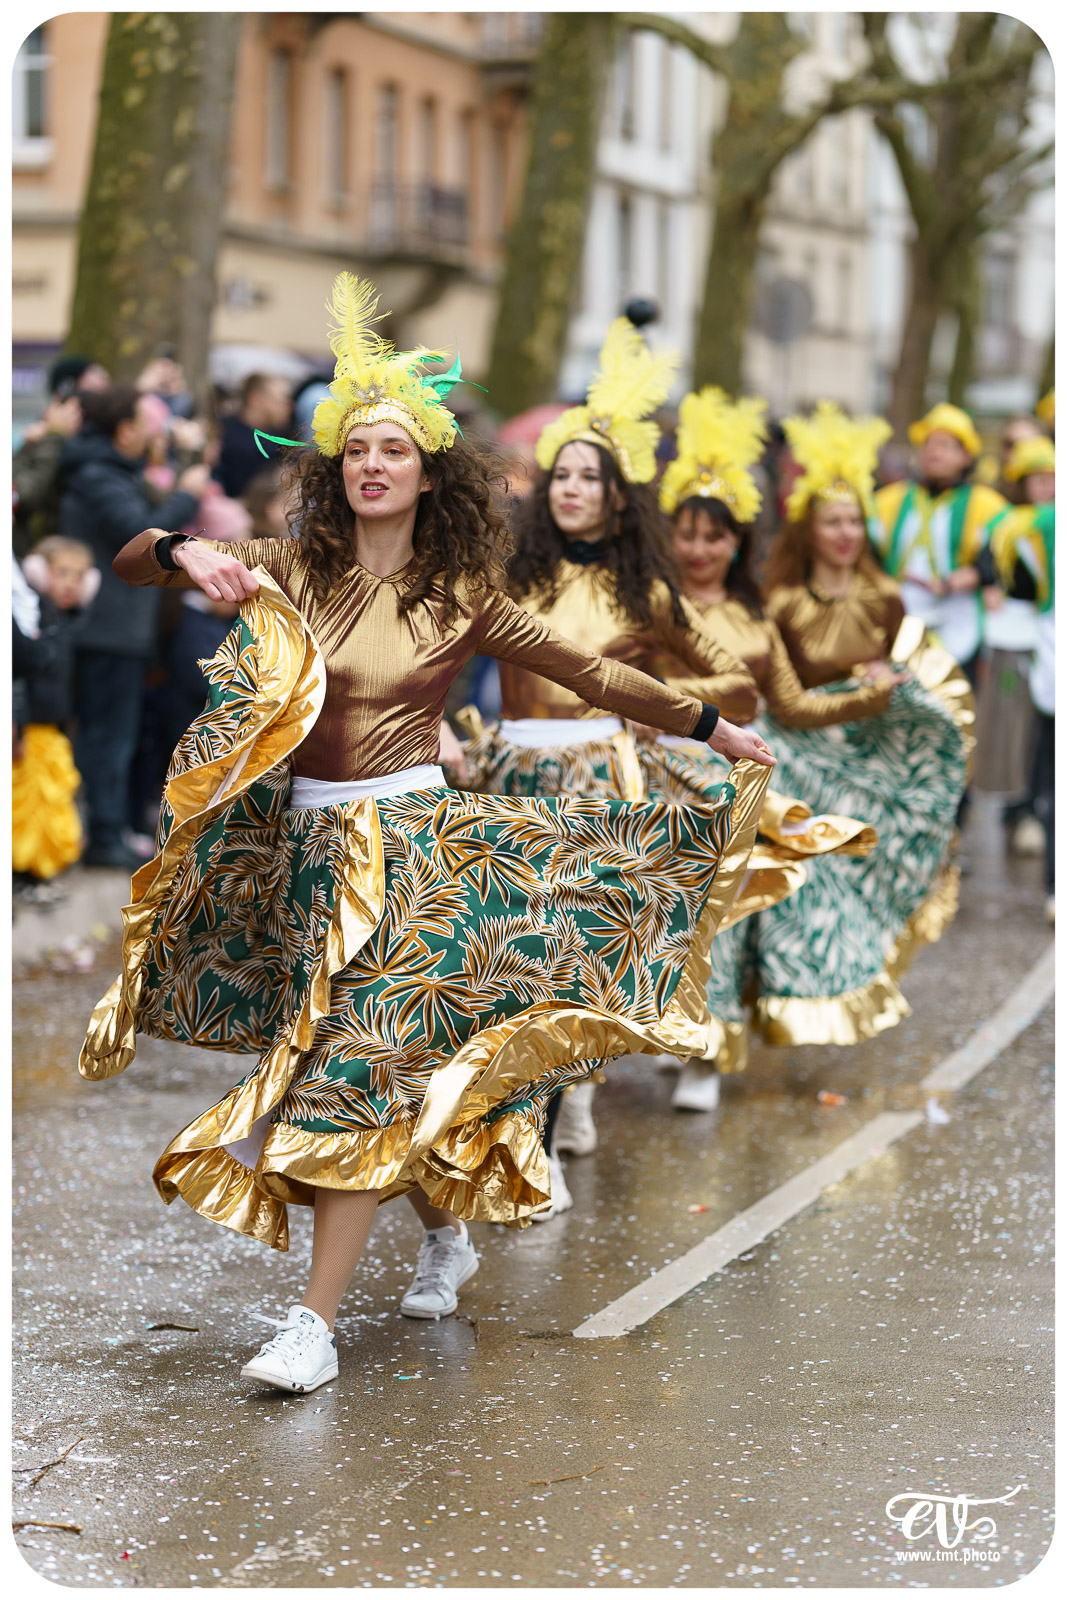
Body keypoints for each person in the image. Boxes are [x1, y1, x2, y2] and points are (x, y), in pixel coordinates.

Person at [81, 272, 775, 1395]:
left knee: (354, 1069)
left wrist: (710, 724)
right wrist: (176, 551)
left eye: (392, 449)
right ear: (331, 468)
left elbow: (587, 667)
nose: (370, 465)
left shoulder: (462, 590)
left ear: (427, 470)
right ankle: (440, 1221)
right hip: (302, 859)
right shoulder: (290, 567)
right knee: (359, 1069)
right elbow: (127, 559)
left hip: (413, 855)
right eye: (354, 448)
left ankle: (312, 1326)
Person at [458, 321, 765, 1185]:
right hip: (511, 773)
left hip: (605, 781)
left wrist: (669, 717)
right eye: (560, 474)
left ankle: (563, 1111)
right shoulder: (508, 575)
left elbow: (734, 680)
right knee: (511, 952)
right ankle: (541, 1111)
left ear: (617, 495)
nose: (571, 488)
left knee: (576, 953)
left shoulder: (650, 590)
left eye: (589, 476)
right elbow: (441, 648)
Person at [638, 389, 894, 1107]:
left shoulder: (756, 614)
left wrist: (875, 695)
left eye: (712, 536)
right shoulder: (650, 607)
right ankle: (665, 1026)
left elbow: (793, 706)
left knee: (724, 913)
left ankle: (707, 1053)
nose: (697, 548)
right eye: (684, 533)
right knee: (658, 914)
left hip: (733, 783)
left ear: (736, 542)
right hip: (649, 778)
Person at [738, 402, 974, 1061]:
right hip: (794, 759)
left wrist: (886, 678)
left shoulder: (882, 595)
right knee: (790, 890)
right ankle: (771, 1002)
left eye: (852, 521)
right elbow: (773, 689)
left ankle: (842, 984)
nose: (843, 533)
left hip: (860, 764)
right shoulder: (779, 601)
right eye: (831, 521)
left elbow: (904, 681)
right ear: (808, 530)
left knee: (851, 880)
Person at [60, 385, 211, 869]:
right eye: (145, 423)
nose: (153, 433)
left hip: (119, 627)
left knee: (117, 734)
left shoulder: (110, 471)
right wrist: (186, 496)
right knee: (109, 735)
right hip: (106, 627)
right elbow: (142, 534)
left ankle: (108, 829)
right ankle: (102, 837)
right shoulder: (97, 475)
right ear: (124, 430)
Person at [872, 402, 1006, 684]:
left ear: (966, 456)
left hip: (957, 627)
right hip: (896, 625)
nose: (933, 451)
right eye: (928, 444)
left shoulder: (988, 505)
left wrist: (960, 580)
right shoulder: (888, 499)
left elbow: (994, 564)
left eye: (945, 445)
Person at [980, 435, 1055, 921]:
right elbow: (993, 566)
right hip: (1034, 640)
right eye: (1036, 478)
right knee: (1036, 745)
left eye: (1050, 477)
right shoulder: (1010, 526)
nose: (1044, 486)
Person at [12, 537, 99, 882]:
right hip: (28, 726)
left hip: (53, 728)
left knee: (52, 799)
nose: (70, 584)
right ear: (36, 572)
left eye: (79, 577)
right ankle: (21, 871)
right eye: (62, 572)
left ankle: (39, 870)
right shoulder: (32, 613)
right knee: (25, 804)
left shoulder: (67, 618)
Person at [13, 355, 111, 556]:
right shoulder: (46, 434)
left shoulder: (91, 434)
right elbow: (23, 495)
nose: (104, 379)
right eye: (94, 374)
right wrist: (52, 437)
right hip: (49, 550)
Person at [213, 372, 294, 500]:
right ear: (256, 400)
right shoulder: (238, 445)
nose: (289, 407)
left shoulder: (275, 435)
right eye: (282, 400)